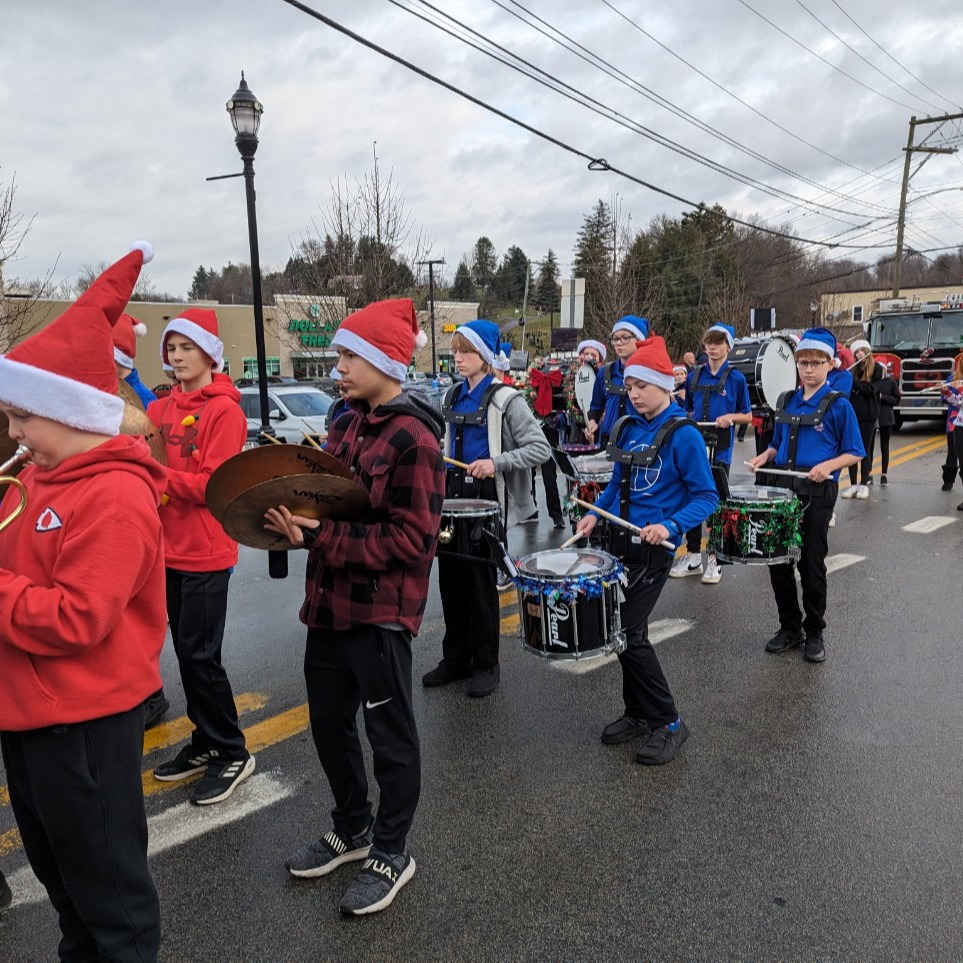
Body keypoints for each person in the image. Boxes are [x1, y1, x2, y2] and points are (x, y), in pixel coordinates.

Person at [0, 242, 163, 960]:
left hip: (83, 726)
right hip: (31, 720)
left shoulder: (115, 493)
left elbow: (78, 617)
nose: (12, 433)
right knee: (69, 896)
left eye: (20, 416)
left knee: (112, 909)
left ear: (66, 410)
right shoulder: (40, 478)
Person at [264, 298, 445, 916]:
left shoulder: (415, 437)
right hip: (327, 607)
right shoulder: (343, 420)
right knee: (329, 725)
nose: (337, 367)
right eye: (339, 354)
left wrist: (318, 536)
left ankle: (392, 851)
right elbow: (330, 502)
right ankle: (352, 826)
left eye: (347, 356)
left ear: (381, 360)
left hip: (381, 615)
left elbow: (411, 541)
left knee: (389, 737)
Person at [574, 336, 718, 765]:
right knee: (620, 632)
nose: (633, 394)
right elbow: (617, 486)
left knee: (629, 634)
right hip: (620, 544)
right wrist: (595, 515)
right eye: (630, 386)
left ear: (664, 385)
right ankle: (637, 712)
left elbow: (707, 496)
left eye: (642, 386)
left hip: (655, 548)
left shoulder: (683, 434)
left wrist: (671, 525)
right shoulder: (627, 428)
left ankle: (669, 721)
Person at [148, 308, 254, 805]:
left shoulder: (225, 411)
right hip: (167, 551)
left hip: (208, 553)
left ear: (209, 352)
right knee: (186, 654)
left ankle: (232, 749)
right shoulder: (160, 408)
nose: (176, 355)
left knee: (200, 655)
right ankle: (205, 739)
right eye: (171, 347)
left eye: (186, 347)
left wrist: (157, 478)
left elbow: (214, 484)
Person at [424, 320, 550, 697]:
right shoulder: (450, 397)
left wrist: (497, 463)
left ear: (486, 357)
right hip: (450, 499)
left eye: (467, 352)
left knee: (480, 588)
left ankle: (486, 664)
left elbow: (540, 448)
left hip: (486, 500)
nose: (458, 359)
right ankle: (456, 658)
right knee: (451, 585)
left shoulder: (506, 399)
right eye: (456, 351)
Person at [747, 327, 863, 664]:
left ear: (829, 365)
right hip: (784, 487)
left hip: (817, 489)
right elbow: (776, 443)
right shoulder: (786, 400)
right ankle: (790, 626)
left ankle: (815, 632)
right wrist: (764, 457)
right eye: (803, 363)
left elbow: (854, 451)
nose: (808, 369)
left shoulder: (838, 405)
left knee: (811, 562)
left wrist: (828, 466)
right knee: (778, 560)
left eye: (815, 363)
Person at [671, 323, 751, 585]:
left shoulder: (736, 378)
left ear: (728, 346)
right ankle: (693, 554)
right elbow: (689, 410)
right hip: (696, 447)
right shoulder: (694, 376)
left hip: (722, 449)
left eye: (718, 343)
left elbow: (747, 415)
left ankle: (716, 558)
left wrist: (730, 417)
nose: (713, 348)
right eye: (709, 343)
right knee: (692, 499)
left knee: (717, 504)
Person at [585, 316, 650, 447]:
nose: (619, 343)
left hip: (639, 443)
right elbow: (596, 408)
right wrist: (592, 422)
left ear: (639, 339)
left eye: (625, 338)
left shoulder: (650, 373)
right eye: (615, 338)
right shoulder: (604, 373)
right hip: (608, 443)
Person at [840, 339, 883, 500]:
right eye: (856, 352)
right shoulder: (853, 370)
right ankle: (852, 485)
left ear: (867, 351)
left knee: (864, 450)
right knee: (851, 450)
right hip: (853, 414)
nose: (859, 355)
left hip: (869, 415)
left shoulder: (877, 369)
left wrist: (855, 384)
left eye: (861, 351)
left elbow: (872, 390)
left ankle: (864, 484)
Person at [939, 355, 963, 491]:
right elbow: (955, 400)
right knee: (953, 451)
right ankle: (948, 480)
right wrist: (945, 390)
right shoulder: (953, 378)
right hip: (955, 420)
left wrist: (960, 389)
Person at [877, 361, 900, 487]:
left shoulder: (891, 381)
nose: (880, 371)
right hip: (873, 416)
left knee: (884, 447)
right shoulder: (871, 380)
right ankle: (868, 474)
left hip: (886, 418)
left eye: (882, 368)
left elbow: (896, 399)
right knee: (869, 448)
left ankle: (884, 474)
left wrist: (883, 397)